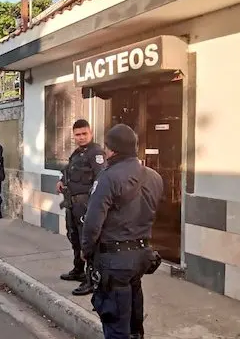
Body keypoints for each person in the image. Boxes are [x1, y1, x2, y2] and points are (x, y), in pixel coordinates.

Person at [81, 124, 164, 339]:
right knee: (134, 324)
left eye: (107, 148)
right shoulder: (154, 177)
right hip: (141, 257)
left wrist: (86, 250)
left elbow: (92, 223)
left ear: (112, 150)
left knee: (116, 326)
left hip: (114, 261)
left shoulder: (107, 177)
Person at [56, 119, 106, 296]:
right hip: (73, 204)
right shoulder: (77, 153)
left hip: (86, 205)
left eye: (84, 133)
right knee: (74, 237)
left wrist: (93, 206)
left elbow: (101, 179)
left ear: (90, 133)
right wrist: (62, 181)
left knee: (88, 241)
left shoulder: (96, 153)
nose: (81, 137)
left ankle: (91, 279)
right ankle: (78, 270)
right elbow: (69, 171)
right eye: (77, 134)